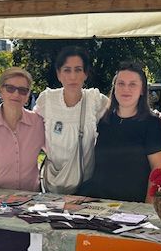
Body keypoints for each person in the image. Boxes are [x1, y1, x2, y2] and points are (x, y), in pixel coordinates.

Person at [79, 61, 161, 203]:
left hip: (132, 205)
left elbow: (158, 172)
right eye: (121, 83)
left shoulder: (153, 124)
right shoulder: (104, 120)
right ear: (114, 88)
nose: (126, 89)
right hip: (98, 203)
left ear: (142, 90)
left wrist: (148, 208)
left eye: (132, 84)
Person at [34, 46, 110, 194]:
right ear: (59, 74)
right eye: (67, 70)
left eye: (78, 70)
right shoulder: (47, 99)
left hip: (85, 186)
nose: (73, 76)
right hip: (53, 183)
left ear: (85, 74)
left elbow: (120, 113)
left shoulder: (94, 99)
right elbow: (31, 126)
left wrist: (151, 116)